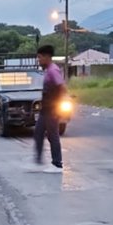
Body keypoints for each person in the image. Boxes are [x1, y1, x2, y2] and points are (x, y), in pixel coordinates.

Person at [34, 44, 66, 173]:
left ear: (47, 57)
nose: (39, 60)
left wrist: (58, 106)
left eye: (40, 57)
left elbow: (61, 87)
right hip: (46, 108)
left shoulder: (53, 70)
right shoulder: (48, 70)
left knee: (53, 135)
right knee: (38, 133)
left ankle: (57, 164)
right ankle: (38, 161)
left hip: (52, 108)